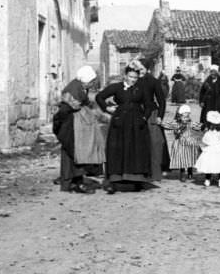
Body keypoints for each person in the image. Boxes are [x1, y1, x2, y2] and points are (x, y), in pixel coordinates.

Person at [95, 65, 151, 194]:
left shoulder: (141, 88)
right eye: (130, 77)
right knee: (118, 149)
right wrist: (106, 108)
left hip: (137, 124)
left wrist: (144, 117)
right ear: (125, 76)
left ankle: (136, 179)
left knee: (135, 149)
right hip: (120, 123)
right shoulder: (116, 87)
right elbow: (99, 97)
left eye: (135, 78)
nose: (133, 80)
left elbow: (149, 104)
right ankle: (115, 179)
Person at [52, 66, 100, 194]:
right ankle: (73, 183)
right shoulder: (74, 90)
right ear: (86, 80)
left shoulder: (79, 87)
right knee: (73, 152)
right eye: (91, 81)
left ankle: (72, 181)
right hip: (69, 125)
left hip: (73, 125)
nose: (93, 83)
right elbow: (67, 109)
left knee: (75, 152)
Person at [134, 58, 170, 181]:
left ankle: (156, 171)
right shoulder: (134, 80)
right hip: (137, 113)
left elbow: (161, 101)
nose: (139, 71)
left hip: (152, 114)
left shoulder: (153, 81)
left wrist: (160, 116)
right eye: (137, 69)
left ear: (147, 69)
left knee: (155, 142)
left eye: (142, 69)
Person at [194, 110, 220, 188]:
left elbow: (204, 141)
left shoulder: (208, 133)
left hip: (210, 150)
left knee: (209, 166)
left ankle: (207, 180)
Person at [161, 105, 202, 182]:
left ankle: (190, 171)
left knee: (190, 157)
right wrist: (161, 123)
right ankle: (182, 173)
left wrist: (204, 126)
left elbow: (198, 126)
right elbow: (167, 125)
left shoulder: (190, 123)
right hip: (179, 143)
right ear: (180, 114)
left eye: (187, 113)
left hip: (189, 142)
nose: (186, 115)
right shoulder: (176, 123)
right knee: (182, 159)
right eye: (184, 113)